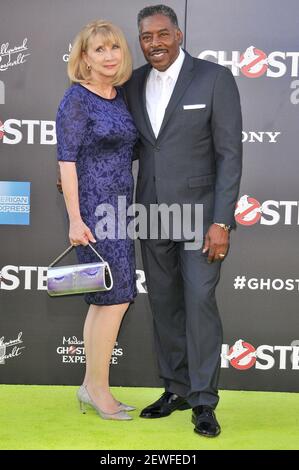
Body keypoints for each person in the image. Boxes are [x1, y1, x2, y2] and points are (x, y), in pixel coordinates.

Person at [125, 4, 242, 436]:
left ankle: (204, 400)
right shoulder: (133, 83)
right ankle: (174, 388)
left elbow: (230, 155)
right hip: (151, 212)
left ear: (178, 34)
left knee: (199, 303)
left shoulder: (214, 78)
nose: (153, 43)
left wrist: (222, 222)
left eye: (161, 34)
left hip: (200, 216)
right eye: (145, 37)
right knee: (164, 305)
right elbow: (127, 144)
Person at [56, 20, 138, 421]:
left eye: (114, 49)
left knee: (105, 300)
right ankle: (98, 390)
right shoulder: (76, 100)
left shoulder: (119, 97)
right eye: (99, 50)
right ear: (84, 57)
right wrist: (75, 219)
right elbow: (66, 162)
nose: (108, 56)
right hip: (94, 213)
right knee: (115, 298)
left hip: (122, 212)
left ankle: (91, 387)